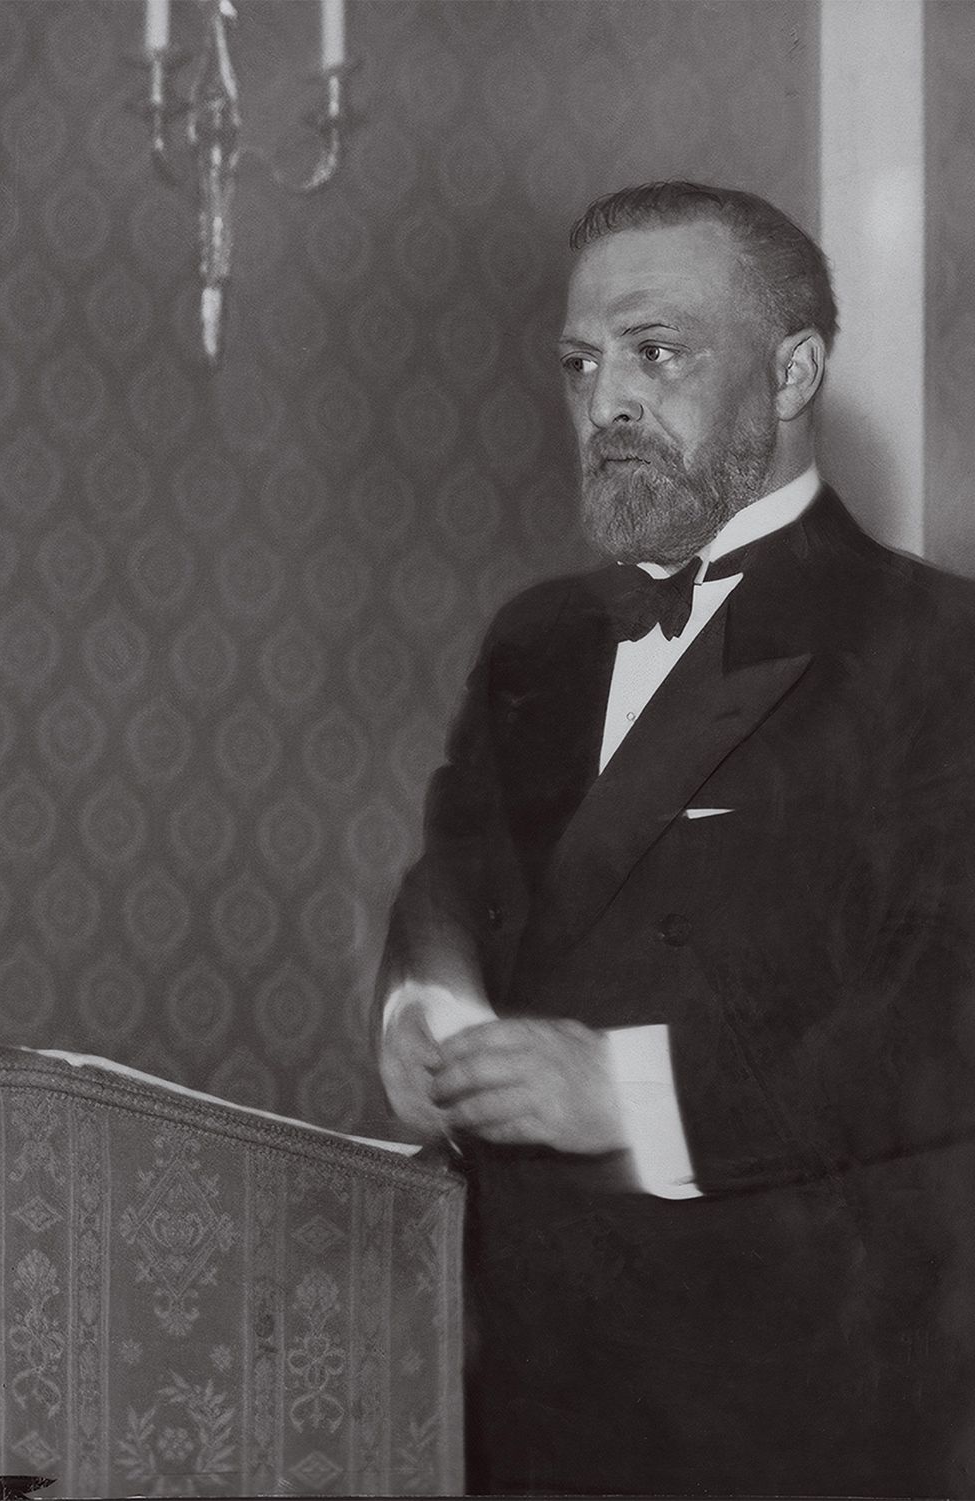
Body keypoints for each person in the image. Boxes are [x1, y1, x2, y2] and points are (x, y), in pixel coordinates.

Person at [375, 180, 975, 1497]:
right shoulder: (536, 641)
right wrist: (426, 1004)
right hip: (523, 1371)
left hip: (796, 1402)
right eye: (583, 365)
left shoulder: (934, 649)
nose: (608, 405)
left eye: (659, 353)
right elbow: (453, 875)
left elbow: (940, 1016)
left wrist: (630, 1095)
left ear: (797, 367)